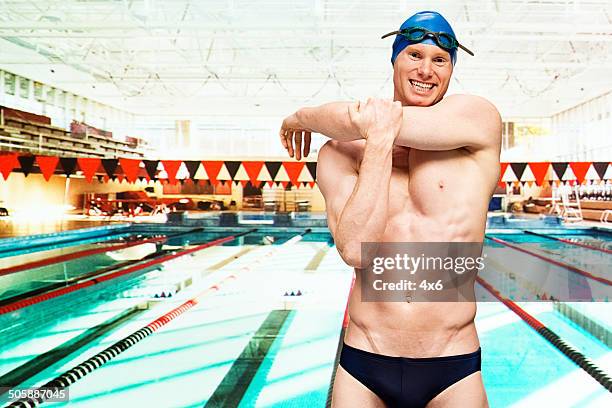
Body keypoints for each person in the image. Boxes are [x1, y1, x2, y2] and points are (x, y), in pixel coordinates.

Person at [279, 11, 501, 408]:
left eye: (440, 60)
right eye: (414, 55)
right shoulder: (339, 152)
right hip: (364, 363)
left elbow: (376, 120)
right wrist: (378, 141)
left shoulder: (476, 121)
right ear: (394, 59)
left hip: (453, 364)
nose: (426, 70)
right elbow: (354, 248)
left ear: (452, 69)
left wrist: (301, 117)